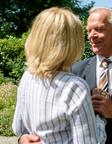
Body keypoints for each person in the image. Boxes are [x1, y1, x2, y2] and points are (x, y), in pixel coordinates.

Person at [19, 6, 112, 144]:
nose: (91, 36)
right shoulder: (74, 69)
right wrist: (23, 137)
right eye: (89, 30)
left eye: (99, 29)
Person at [12, 7, 98, 144]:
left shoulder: (27, 76)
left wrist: (22, 139)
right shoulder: (75, 87)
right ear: (72, 44)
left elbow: (18, 128)